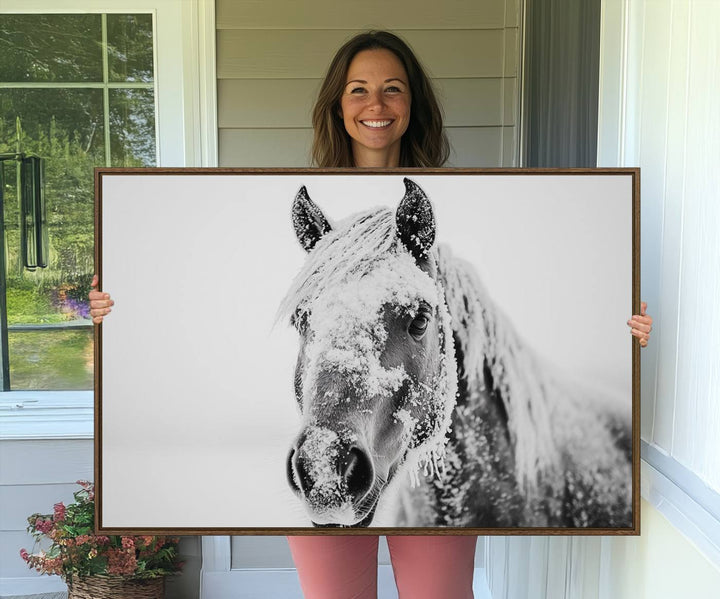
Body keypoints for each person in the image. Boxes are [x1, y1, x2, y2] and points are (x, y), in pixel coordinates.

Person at [89, 30, 653, 599]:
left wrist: (621, 325)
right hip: (332, 438)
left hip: (419, 453)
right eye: (358, 90)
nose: (375, 105)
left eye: (392, 89)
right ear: (339, 105)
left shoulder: (453, 209)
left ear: (412, 105)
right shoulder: (308, 211)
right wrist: (121, 309)